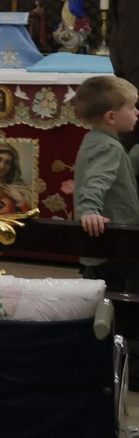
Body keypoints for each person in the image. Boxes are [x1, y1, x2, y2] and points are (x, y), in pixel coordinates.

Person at [73, 76, 139, 288]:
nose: (137, 112)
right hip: (114, 241)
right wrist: (90, 210)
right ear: (111, 116)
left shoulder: (95, 138)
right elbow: (96, 181)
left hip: (106, 244)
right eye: (132, 107)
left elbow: (119, 173)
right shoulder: (110, 147)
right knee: (117, 291)